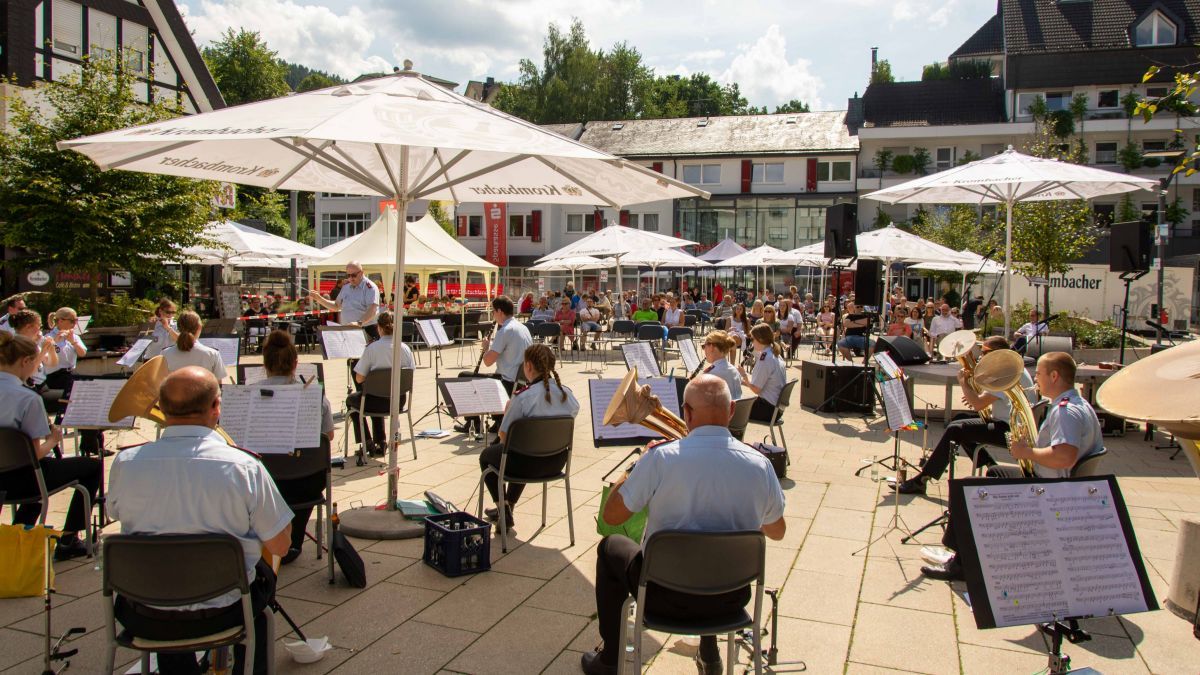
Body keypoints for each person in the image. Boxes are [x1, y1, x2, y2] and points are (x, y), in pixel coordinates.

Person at [583, 374, 785, 675]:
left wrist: (636, 466)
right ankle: (710, 653)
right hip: (730, 599)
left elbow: (612, 516)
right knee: (712, 556)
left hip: (662, 597)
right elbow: (778, 531)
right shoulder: (760, 464)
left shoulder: (659, 458)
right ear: (731, 411)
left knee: (609, 546)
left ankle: (611, 659)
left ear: (686, 413)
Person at [108, 367, 291, 674]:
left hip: (144, 613)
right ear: (216, 406)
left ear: (162, 407)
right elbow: (281, 546)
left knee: (165, 583)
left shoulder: (125, 463)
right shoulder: (244, 467)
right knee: (260, 590)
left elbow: (115, 513)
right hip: (226, 612)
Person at [921, 352, 1103, 581]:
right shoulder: (1081, 404)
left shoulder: (1065, 411)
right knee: (994, 472)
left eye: (1039, 374)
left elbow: (1064, 457)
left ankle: (961, 566)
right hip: (1060, 484)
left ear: (1054, 376)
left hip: (1049, 490)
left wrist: (1026, 452)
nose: (1035, 379)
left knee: (965, 490)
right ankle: (981, 548)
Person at [891, 337, 1035, 495]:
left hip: (1012, 431)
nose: (981, 357)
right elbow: (983, 400)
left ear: (997, 353)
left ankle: (922, 479)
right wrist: (973, 394)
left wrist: (963, 382)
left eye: (985, 353)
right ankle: (990, 465)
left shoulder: (1005, 371)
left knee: (956, 430)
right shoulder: (1013, 367)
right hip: (1008, 423)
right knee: (959, 419)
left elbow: (978, 404)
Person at [0, 332, 97, 561]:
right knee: (91, 466)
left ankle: (18, 534)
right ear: (25, 361)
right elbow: (33, 455)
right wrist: (53, 440)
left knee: (39, 474)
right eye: (36, 362)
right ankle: (69, 539)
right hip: (22, 481)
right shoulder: (27, 398)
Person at [478, 344, 579, 527]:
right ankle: (509, 506)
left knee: (488, 455)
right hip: (556, 462)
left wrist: (508, 412)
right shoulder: (567, 395)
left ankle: (503, 508)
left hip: (525, 466)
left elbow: (504, 438)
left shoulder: (523, 397)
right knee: (526, 449)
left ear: (529, 366)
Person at [259, 330, 335, 563]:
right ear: (295, 364)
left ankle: (267, 540)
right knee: (301, 472)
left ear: (265, 364)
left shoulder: (249, 395)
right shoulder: (316, 397)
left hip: (265, 484)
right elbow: (329, 436)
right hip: (307, 482)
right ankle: (293, 539)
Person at [462, 296, 533, 436]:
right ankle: (498, 420)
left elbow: (488, 362)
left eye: (493, 311)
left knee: (464, 376)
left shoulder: (505, 330)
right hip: (520, 380)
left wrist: (486, 348)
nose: (493, 315)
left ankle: (473, 423)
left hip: (506, 382)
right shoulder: (523, 328)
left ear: (500, 311)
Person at [347, 312, 413, 456]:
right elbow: (410, 374)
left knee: (353, 399)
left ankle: (367, 441)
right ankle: (381, 441)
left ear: (379, 328)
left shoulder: (372, 349)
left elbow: (359, 379)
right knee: (374, 393)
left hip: (376, 401)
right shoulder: (405, 348)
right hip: (399, 401)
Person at [308, 261, 380, 339]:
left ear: (361, 273)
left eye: (354, 275)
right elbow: (336, 306)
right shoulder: (346, 287)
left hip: (366, 329)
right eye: (348, 275)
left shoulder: (370, 288)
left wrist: (359, 323)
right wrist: (320, 299)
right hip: (348, 329)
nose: (351, 278)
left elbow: (372, 310)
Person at [739, 324, 787, 423]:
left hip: (768, 409)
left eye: (752, 339)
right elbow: (762, 382)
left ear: (760, 339)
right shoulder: (774, 354)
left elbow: (756, 389)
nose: (751, 342)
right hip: (775, 408)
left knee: (730, 409)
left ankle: (733, 432)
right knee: (735, 405)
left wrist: (744, 375)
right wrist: (741, 381)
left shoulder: (765, 359)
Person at [162, 311, 227, 381]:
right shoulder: (213, 354)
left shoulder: (165, 353)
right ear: (199, 327)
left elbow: (160, 381)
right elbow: (218, 384)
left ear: (178, 328)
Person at [10, 309, 58, 387]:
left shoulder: (33, 342)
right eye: (39, 326)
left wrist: (51, 348)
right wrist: (43, 351)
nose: (40, 329)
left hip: (40, 385)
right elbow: (27, 372)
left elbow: (52, 363)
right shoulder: (15, 344)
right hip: (26, 386)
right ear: (28, 327)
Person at [699, 331, 742, 398]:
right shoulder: (734, 370)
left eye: (704, 346)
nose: (704, 350)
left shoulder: (710, 374)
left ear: (711, 347)